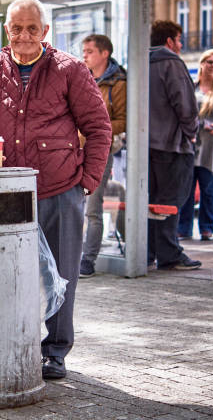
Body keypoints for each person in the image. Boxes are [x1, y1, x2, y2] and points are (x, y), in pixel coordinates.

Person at [0, 0, 111, 380]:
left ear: (45, 30)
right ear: (7, 30)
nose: (24, 35)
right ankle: (13, 343)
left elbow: (99, 129)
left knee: (61, 273)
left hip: (60, 189)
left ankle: (55, 351)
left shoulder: (71, 68)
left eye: (32, 28)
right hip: (5, 188)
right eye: (17, 28)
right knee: (4, 272)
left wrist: (87, 182)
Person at [147, 20, 201, 271]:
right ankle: (169, 254)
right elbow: (186, 105)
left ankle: (147, 251)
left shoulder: (139, 62)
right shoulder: (172, 63)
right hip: (172, 145)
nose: (180, 45)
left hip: (145, 146)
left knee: (149, 201)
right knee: (170, 200)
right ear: (169, 41)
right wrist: (192, 134)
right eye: (179, 40)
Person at [78, 34, 126, 279]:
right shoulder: (80, 77)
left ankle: (88, 259)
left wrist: (95, 128)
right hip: (74, 149)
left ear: (104, 53)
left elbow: (124, 120)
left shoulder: (118, 83)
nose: (84, 55)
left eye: (90, 51)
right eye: (83, 51)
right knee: (72, 205)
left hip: (100, 150)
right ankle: (71, 255)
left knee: (93, 206)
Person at [177, 49, 213, 241]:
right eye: (209, 62)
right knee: (186, 190)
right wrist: (202, 125)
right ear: (202, 64)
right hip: (190, 144)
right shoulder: (192, 87)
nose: (212, 66)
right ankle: (184, 228)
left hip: (210, 149)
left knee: (208, 189)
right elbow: (184, 113)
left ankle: (206, 228)